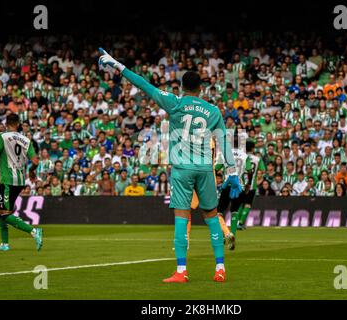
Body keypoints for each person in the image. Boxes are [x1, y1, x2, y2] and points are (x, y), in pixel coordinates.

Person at [99, 48, 241, 283]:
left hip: (182, 169)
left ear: (182, 86)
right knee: (212, 217)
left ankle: (181, 271)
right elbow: (224, 141)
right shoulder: (213, 110)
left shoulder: (174, 102)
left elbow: (144, 85)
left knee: (181, 218)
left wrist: (117, 64)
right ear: (201, 88)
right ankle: (220, 268)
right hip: (205, 169)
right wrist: (232, 172)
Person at [0, 113, 43, 252]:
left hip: (7, 180)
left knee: (5, 213)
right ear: (18, 124)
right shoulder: (26, 139)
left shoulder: (2, 136)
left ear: (6, 123)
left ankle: (33, 231)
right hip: (20, 180)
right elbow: (36, 161)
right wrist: (31, 172)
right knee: (1, 210)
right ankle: (5, 244)